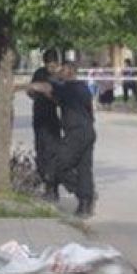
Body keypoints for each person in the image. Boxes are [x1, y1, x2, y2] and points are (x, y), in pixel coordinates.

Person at [28, 62, 97, 217]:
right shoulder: (82, 88)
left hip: (76, 133)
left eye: (63, 70)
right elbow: (59, 100)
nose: (60, 72)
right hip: (88, 131)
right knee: (84, 168)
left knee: (57, 165)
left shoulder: (68, 87)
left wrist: (29, 86)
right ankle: (85, 204)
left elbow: (45, 88)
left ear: (70, 72)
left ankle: (83, 193)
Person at [29, 50, 63, 201]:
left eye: (53, 65)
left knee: (53, 153)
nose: (51, 68)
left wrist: (48, 94)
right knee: (40, 151)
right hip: (39, 117)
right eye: (49, 65)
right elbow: (31, 91)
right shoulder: (39, 73)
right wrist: (34, 91)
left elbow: (61, 99)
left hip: (52, 119)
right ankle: (45, 183)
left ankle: (53, 188)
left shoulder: (59, 76)